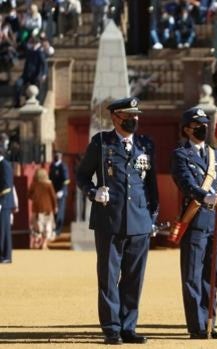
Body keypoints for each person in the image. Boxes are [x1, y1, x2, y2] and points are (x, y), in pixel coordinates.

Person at [76, 97, 159, 345]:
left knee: (134, 278)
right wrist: (93, 192)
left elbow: (151, 186)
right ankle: (112, 327)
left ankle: (128, 326)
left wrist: (152, 217)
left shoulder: (145, 144)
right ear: (115, 118)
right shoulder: (101, 142)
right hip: (109, 220)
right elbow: (81, 175)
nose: (134, 119)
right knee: (109, 277)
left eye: (136, 115)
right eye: (128, 116)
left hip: (140, 221)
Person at [170, 107, 217, 339]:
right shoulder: (180, 154)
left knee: (212, 274)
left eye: (205, 124)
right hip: (195, 219)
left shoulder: (214, 154)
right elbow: (185, 183)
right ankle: (197, 325)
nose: (203, 128)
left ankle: (210, 321)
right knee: (193, 275)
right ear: (187, 129)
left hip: (216, 220)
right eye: (198, 125)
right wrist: (205, 197)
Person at [28, 167, 57, 249]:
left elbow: (29, 194)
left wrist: (35, 197)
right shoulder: (48, 184)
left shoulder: (34, 184)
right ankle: (44, 244)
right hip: (47, 209)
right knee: (47, 226)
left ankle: (36, 242)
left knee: (36, 226)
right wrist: (55, 207)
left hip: (36, 209)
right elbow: (53, 197)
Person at [0, 145, 15, 263]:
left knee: (4, 230)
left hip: (4, 203)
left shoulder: (5, 165)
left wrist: (1, 202)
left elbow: (7, 185)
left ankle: (6, 256)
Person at [49, 151, 69, 237]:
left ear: (60, 157)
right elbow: (50, 179)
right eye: (55, 155)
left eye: (57, 155)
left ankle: (58, 230)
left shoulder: (63, 167)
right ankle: (54, 228)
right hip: (53, 192)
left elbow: (66, 181)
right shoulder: (52, 166)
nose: (56, 157)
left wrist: (62, 191)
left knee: (60, 212)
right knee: (54, 211)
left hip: (61, 193)